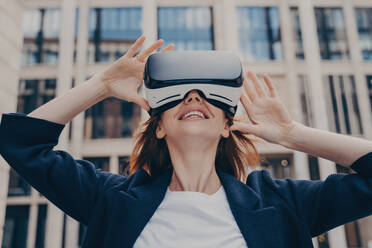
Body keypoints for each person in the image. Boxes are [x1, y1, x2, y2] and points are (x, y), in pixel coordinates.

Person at [0, 35, 371, 248]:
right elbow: (21, 143)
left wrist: (293, 134)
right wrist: (101, 86)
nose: (194, 96)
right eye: (178, 97)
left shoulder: (283, 204)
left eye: (208, 97)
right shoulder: (111, 200)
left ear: (229, 126)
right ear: (158, 127)